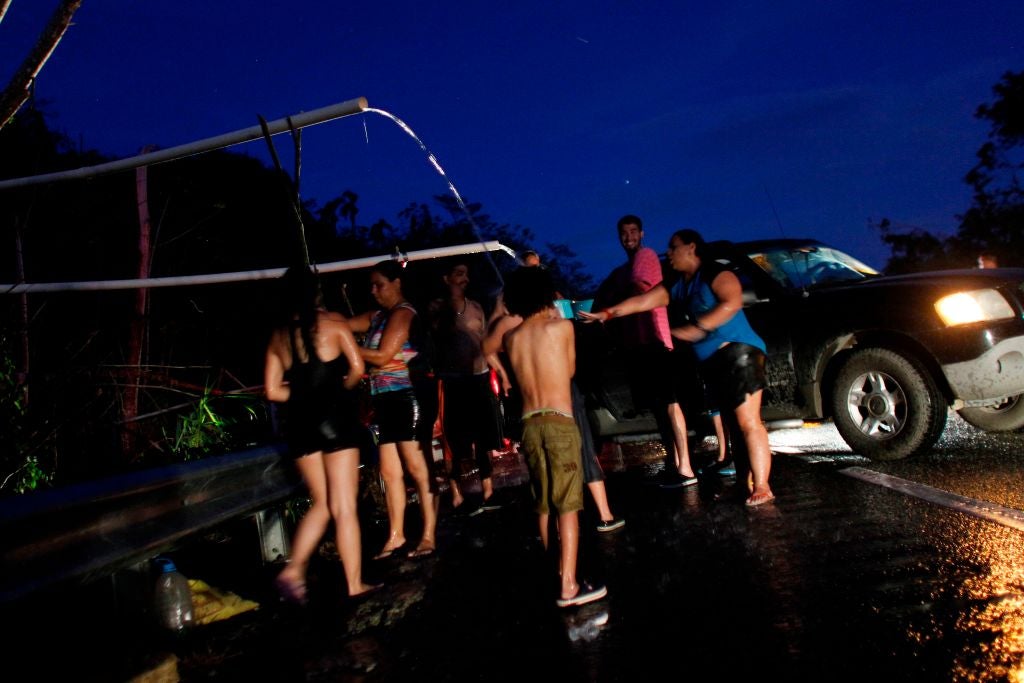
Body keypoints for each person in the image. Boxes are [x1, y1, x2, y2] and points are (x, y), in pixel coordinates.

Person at [581, 229, 775, 507]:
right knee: (733, 425)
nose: (668, 253)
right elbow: (643, 301)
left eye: (673, 247)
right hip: (713, 362)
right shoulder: (678, 283)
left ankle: (762, 485)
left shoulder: (713, 273)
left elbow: (732, 301)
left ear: (691, 247)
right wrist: (608, 313)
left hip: (740, 353)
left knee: (748, 422)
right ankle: (747, 484)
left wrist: (698, 328)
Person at [263, 266, 378, 602]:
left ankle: (293, 569)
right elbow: (358, 368)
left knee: (323, 503)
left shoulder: (279, 335)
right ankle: (354, 584)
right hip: (335, 419)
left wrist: (302, 396)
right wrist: (338, 390)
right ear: (316, 294)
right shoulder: (334, 324)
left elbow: (271, 390)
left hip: (300, 424)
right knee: (343, 506)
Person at [484, 270, 625, 533]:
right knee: (570, 489)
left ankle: (554, 557)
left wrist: (504, 373)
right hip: (560, 407)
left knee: (544, 492)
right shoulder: (557, 323)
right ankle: (569, 571)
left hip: (530, 417)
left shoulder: (511, 330)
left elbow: (486, 348)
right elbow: (569, 369)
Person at [502, 266, 608, 608]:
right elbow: (570, 371)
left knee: (544, 502)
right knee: (568, 505)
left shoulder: (511, 338)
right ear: (547, 293)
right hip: (560, 422)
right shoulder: (561, 327)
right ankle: (569, 584)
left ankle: (555, 571)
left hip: (529, 423)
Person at [592, 214, 695, 487]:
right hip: (640, 344)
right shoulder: (624, 269)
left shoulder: (645, 256)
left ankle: (685, 466)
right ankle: (676, 463)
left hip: (656, 340)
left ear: (642, 234)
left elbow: (639, 288)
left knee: (670, 404)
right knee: (660, 408)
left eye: (633, 231)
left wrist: (614, 302)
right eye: (624, 233)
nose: (629, 237)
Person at [348, 260, 438, 559]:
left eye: (380, 285)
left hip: (406, 397)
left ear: (397, 283)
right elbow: (345, 324)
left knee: (416, 467)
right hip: (383, 399)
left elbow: (384, 356)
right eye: (371, 286)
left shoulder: (403, 314)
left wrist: (347, 348)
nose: (374, 291)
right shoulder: (377, 316)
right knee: (389, 470)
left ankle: (428, 535)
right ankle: (396, 535)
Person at [428, 262, 503, 512]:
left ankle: (489, 490)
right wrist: (454, 301)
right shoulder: (437, 307)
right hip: (453, 379)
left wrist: (500, 371)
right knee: (456, 439)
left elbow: (484, 342)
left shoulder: (476, 307)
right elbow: (440, 334)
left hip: (478, 376)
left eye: (467, 275)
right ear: (446, 278)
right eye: (459, 274)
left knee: (483, 436)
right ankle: (457, 494)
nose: (465, 279)